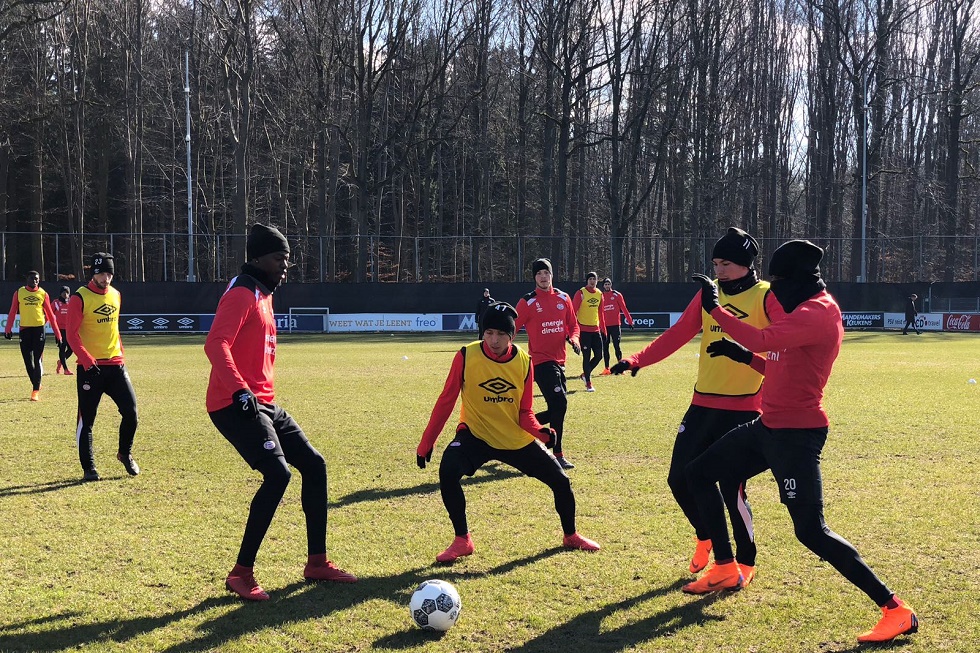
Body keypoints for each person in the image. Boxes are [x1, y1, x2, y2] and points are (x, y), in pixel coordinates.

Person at [685, 240, 918, 644]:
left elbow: (764, 340)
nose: (773, 288)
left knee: (811, 532)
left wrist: (716, 309)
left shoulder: (818, 312)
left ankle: (896, 610)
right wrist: (744, 358)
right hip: (767, 426)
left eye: (778, 280)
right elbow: (780, 364)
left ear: (796, 280)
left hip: (796, 436)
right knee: (698, 474)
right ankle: (725, 565)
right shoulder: (800, 307)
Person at [611, 228, 781, 586]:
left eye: (726, 264)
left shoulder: (767, 296)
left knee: (731, 487)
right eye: (716, 263)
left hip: (745, 408)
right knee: (679, 478)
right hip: (703, 403)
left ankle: (744, 562)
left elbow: (782, 347)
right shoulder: (709, 293)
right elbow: (678, 334)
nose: (719, 270)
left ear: (746, 264)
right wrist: (637, 359)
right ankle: (707, 536)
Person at [205, 223, 356, 602]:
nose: (285, 266)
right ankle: (241, 573)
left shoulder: (263, 293)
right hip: (233, 402)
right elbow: (215, 343)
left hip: (263, 403)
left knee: (314, 465)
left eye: (287, 259)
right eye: (279, 259)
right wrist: (240, 389)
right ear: (258, 258)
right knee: (277, 474)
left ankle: (317, 562)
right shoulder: (242, 292)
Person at [417, 301, 600, 563]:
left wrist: (540, 432)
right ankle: (462, 540)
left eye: (501, 334)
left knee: (561, 482)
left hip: (514, 439)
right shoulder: (466, 355)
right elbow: (447, 399)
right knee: (448, 471)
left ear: (512, 335)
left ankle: (571, 535)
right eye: (489, 333)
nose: (494, 340)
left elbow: (525, 412)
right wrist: (427, 441)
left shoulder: (524, 361)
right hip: (475, 435)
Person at [67, 253, 139, 481]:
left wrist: (121, 356)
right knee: (87, 421)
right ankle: (89, 468)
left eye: (109, 274)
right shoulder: (79, 297)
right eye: (101, 273)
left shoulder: (116, 295)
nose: (105, 278)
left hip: (116, 366)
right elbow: (72, 335)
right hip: (90, 369)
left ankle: (124, 453)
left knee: (131, 413)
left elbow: (114, 331)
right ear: (93, 273)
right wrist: (87, 360)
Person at [515, 258, 581, 469]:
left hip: (560, 361)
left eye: (546, 273)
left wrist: (575, 339)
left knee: (557, 408)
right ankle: (557, 454)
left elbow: (573, 325)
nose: (543, 277)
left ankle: (522, 425)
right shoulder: (527, 302)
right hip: (541, 362)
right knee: (560, 404)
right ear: (534, 278)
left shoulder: (563, 298)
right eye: (539, 274)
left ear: (552, 275)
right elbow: (512, 328)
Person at [5, 270, 62, 401]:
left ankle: (35, 390)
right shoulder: (19, 293)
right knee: (27, 361)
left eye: (37, 279)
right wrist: (8, 328)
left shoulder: (43, 294)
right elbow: (13, 311)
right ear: (27, 279)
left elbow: (51, 315)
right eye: (32, 278)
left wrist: (58, 335)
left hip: (39, 329)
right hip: (24, 330)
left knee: (37, 360)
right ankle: (36, 383)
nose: (35, 281)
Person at [572, 272, 606, 392]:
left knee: (599, 356)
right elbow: (572, 312)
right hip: (584, 330)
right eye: (590, 279)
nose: (592, 281)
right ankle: (588, 383)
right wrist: (572, 330)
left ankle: (584, 375)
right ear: (587, 280)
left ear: (597, 281)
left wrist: (604, 329)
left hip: (595, 330)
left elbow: (601, 313)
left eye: (594, 279)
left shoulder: (599, 294)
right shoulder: (581, 293)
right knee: (586, 357)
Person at [598, 277, 634, 375]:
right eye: (605, 284)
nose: (607, 286)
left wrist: (630, 321)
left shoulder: (617, 295)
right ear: (603, 286)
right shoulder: (600, 296)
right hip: (604, 327)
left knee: (617, 346)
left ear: (611, 285)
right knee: (605, 348)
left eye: (608, 284)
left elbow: (624, 308)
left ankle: (621, 368)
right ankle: (607, 368)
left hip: (615, 326)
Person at [53, 286, 74, 375]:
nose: (65, 294)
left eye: (67, 293)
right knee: (62, 348)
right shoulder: (56, 303)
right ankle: (65, 369)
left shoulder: (72, 303)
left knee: (71, 349)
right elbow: (49, 313)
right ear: (60, 293)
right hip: (60, 330)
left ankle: (61, 361)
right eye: (63, 292)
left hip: (69, 329)